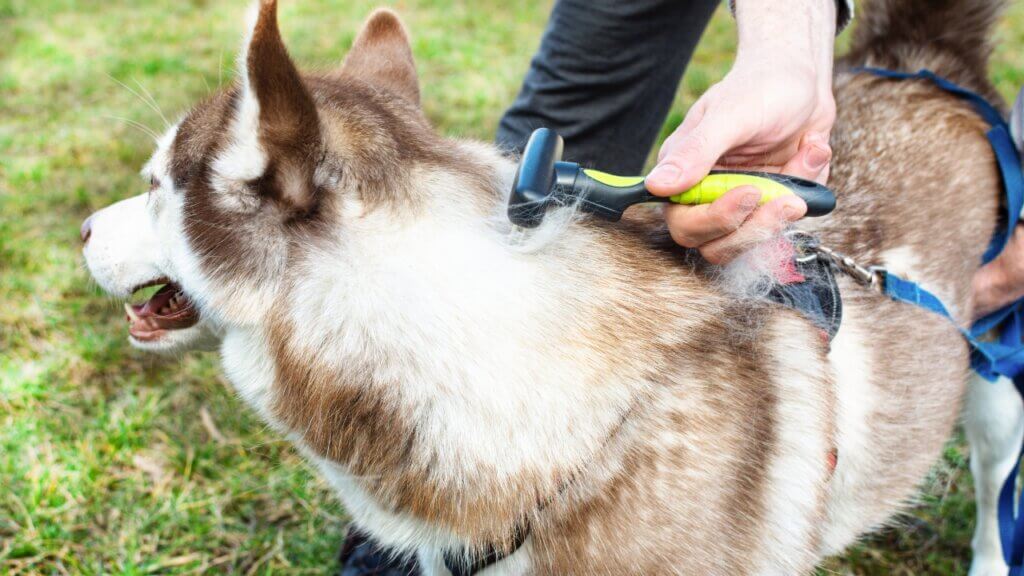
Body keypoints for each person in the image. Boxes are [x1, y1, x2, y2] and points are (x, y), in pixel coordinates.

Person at [339, 0, 1024, 573]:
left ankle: (994, 545)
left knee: (993, 410)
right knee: (560, 138)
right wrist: (788, 54)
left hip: (939, 185)